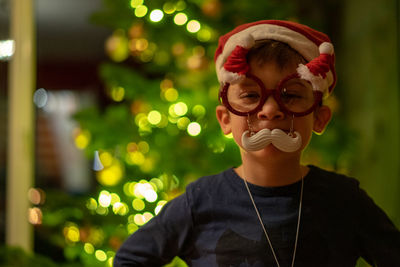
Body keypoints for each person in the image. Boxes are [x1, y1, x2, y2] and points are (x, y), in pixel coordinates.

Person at [114, 20, 400, 267]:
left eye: (291, 95)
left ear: (319, 118)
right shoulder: (200, 202)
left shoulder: (344, 201)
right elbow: (130, 260)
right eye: (251, 96)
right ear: (225, 119)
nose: (270, 109)